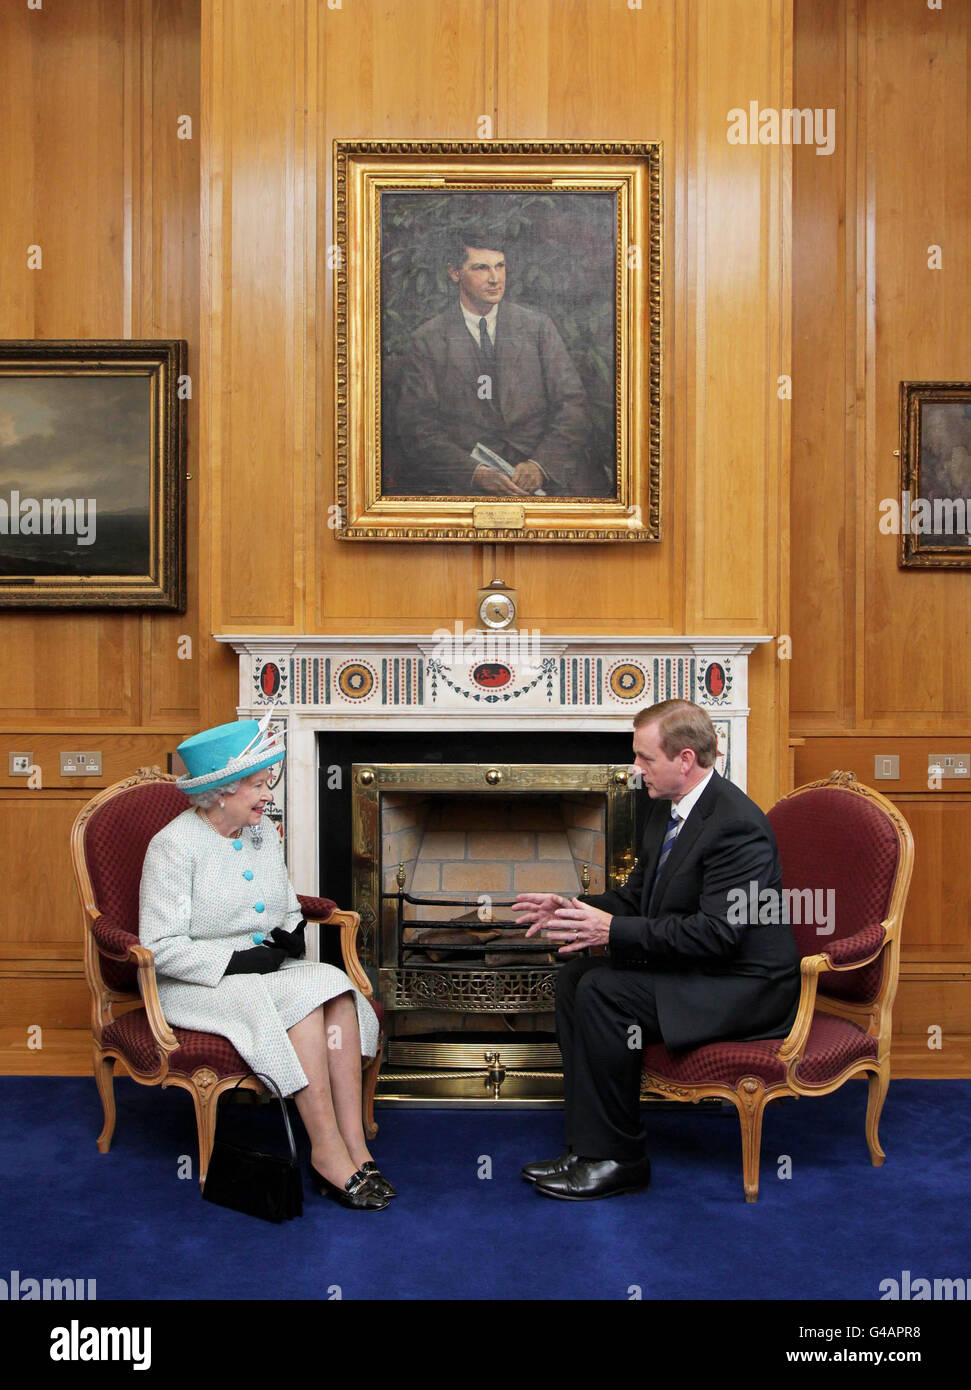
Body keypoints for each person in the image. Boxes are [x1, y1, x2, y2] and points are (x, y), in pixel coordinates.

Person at [512, 699, 801, 1201]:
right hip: (703, 969)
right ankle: (588, 1147)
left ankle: (620, 1161)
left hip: (744, 985)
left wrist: (613, 933)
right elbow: (636, 899)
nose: (635, 768)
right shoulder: (664, 812)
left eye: (644, 758)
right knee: (574, 978)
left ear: (684, 760)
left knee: (604, 990)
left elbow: (717, 935)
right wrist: (572, 908)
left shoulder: (737, 827)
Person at [138, 716, 392, 1211]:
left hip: (265, 974)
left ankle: (355, 1146)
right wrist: (239, 959)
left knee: (335, 989)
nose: (266, 795)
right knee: (304, 996)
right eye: (256, 786)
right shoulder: (173, 846)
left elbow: (285, 906)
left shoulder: (261, 833)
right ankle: (326, 1151)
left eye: (265, 783)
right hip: (198, 982)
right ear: (220, 792)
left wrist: (287, 932)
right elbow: (160, 946)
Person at [392, 234, 609, 497]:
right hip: (463, 482)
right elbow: (418, 427)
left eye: (500, 266)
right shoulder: (428, 339)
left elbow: (573, 404)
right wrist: (475, 473)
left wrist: (540, 466)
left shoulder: (537, 327)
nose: (495, 278)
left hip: (540, 474)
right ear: (454, 272)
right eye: (481, 268)